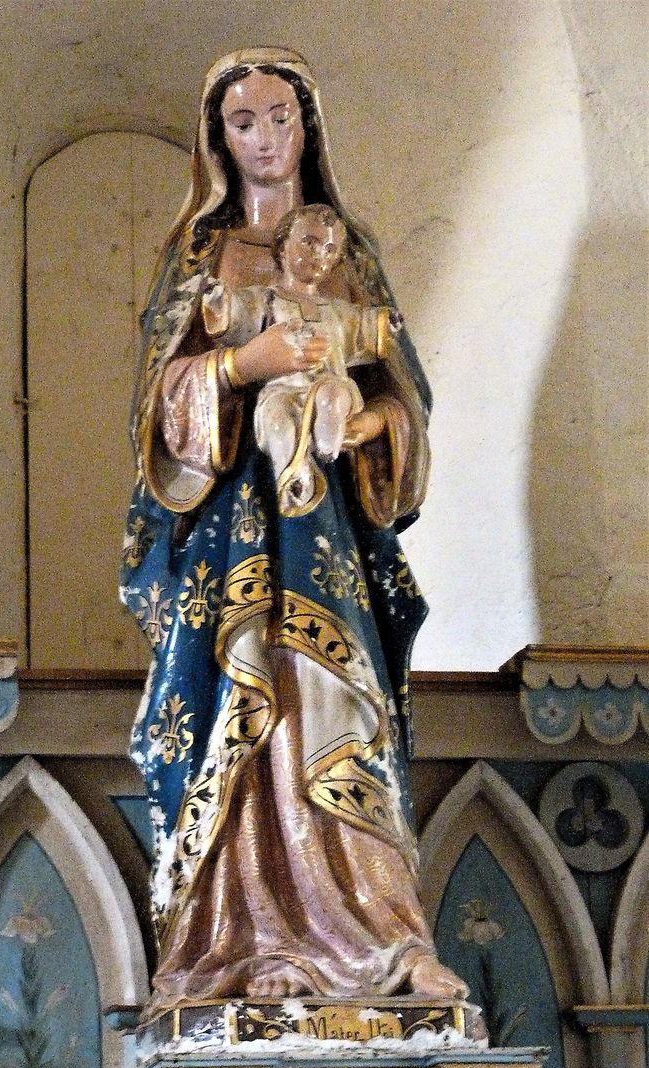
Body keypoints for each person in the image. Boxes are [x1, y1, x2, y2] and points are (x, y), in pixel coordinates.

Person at [120, 48, 468, 1016]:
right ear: (217, 140)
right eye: (245, 122)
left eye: (281, 118)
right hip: (234, 534)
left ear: (308, 128)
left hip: (328, 538)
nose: (266, 139)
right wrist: (246, 365)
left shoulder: (348, 251)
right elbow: (154, 415)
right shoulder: (201, 255)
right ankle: (251, 941)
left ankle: (385, 938)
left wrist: (369, 425)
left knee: (335, 703)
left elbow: (404, 396)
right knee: (252, 702)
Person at [202, 203, 396, 516]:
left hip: (330, 385)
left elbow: (364, 326)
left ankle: (327, 445)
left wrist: (388, 323)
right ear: (282, 246)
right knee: (277, 422)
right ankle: (293, 476)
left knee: (332, 396)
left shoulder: (335, 309)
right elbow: (237, 311)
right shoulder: (267, 300)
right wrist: (218, 302)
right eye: (309, 243)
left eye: (330, 249)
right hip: (282, 389)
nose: (320, 255)